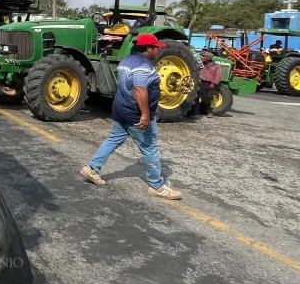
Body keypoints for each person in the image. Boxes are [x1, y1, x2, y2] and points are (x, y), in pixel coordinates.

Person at [80, 33, 182, 200]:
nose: (158, 50)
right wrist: (145, 115)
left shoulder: (126, 61)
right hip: (135, 113)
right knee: (149, 148)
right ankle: (156, 185)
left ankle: (92, 168)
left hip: (121, 109)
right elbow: (139, 90)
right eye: (156, 47)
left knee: (113, 138)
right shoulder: (144, 67)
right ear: (148, 48)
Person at [198, 51, 222, 118]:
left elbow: (218, 76)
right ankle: (201, 110)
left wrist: (213, 83)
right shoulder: (201, 64)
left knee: (209, 97)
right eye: (203, 56)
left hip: (211, 84)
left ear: (209, 58)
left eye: (205, 56)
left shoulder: (216, 66)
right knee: (202, 97)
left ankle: (209, 112)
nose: (203, 57)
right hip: (202, 82)